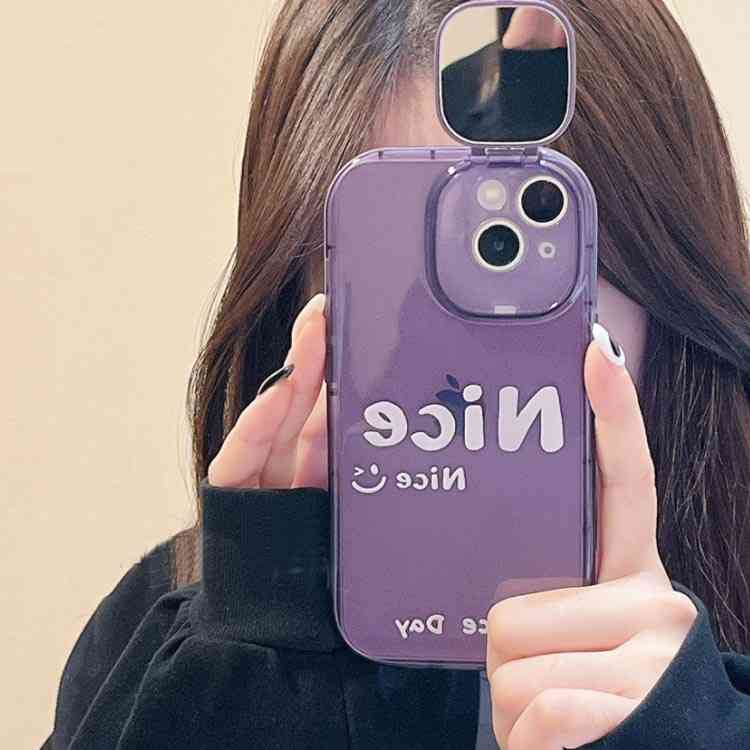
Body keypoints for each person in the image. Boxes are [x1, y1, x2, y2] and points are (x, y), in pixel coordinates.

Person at [44, 1, 750, 748]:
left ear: (663, 265)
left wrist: (691, 729)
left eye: (532, 231)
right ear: (297, 293)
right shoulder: (168, 642)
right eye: (400, 254)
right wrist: (248, 685)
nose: (464, 346)